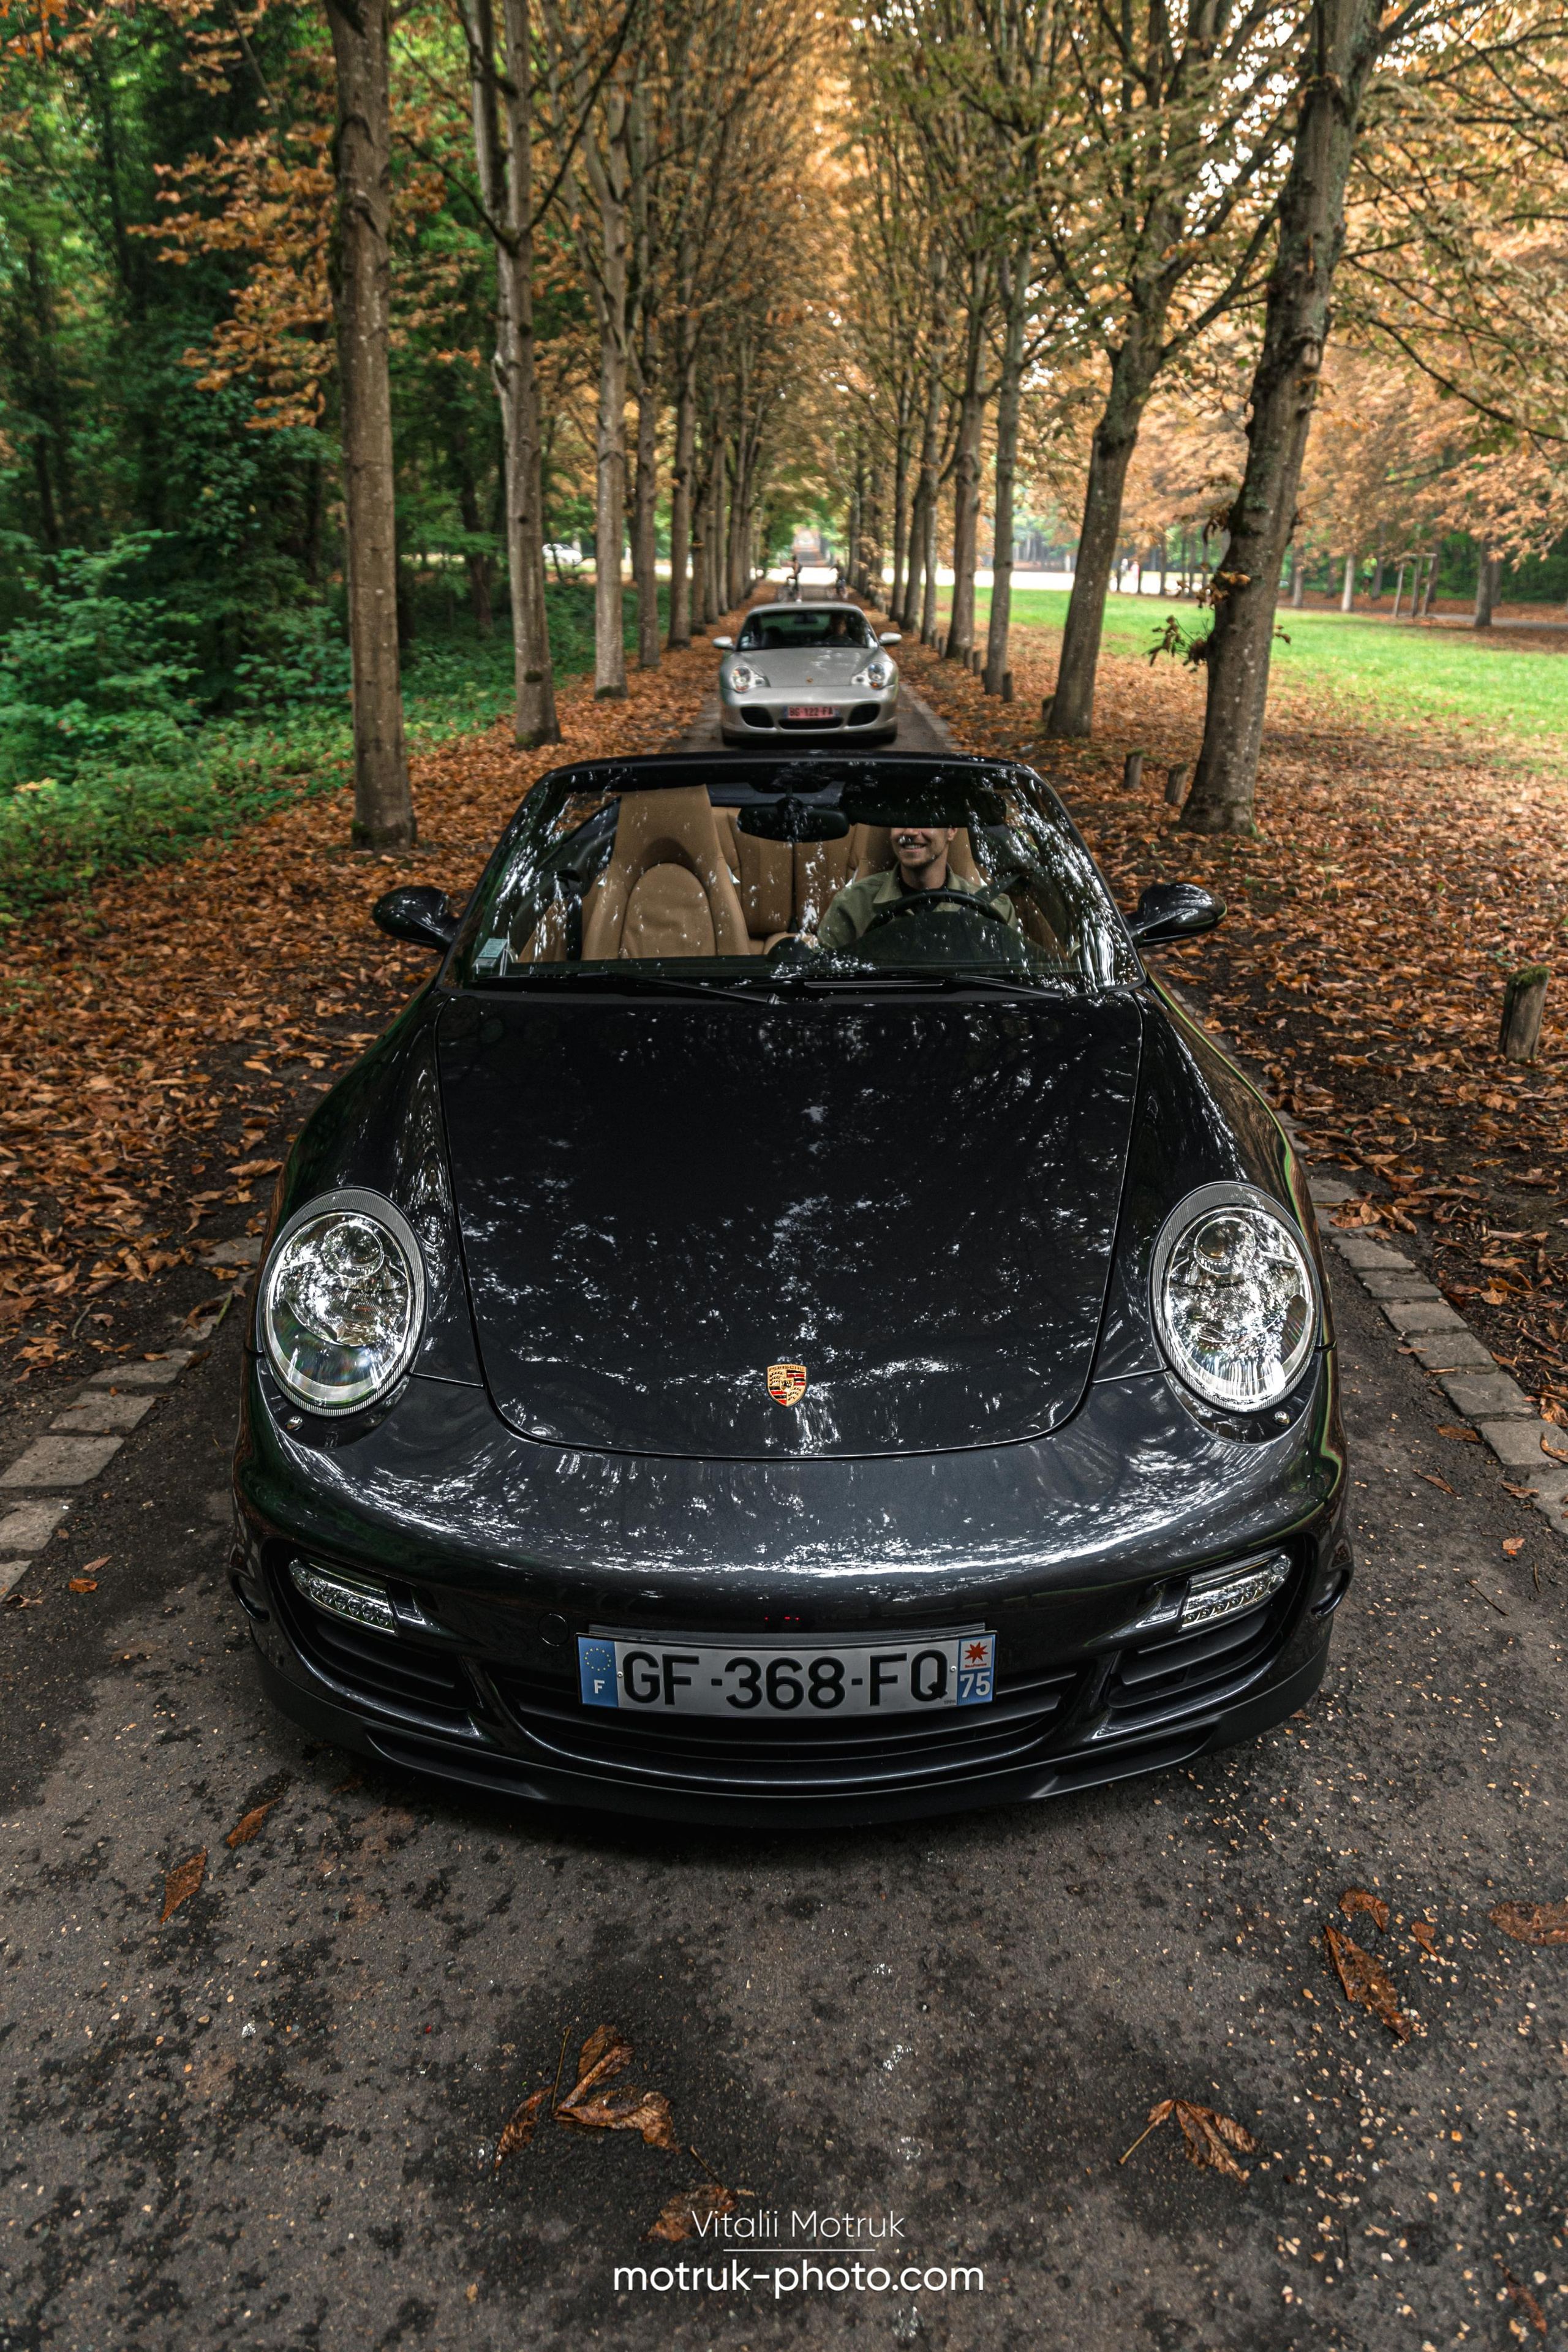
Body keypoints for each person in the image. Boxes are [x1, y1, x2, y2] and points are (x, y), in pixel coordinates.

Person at [816, 825, 1017, 951]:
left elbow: (1015, 986)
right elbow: (823, 986)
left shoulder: (994, 910)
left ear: (952, 830)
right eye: (901, 820)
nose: (910, 832)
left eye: (924, 819)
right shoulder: (852, 906)